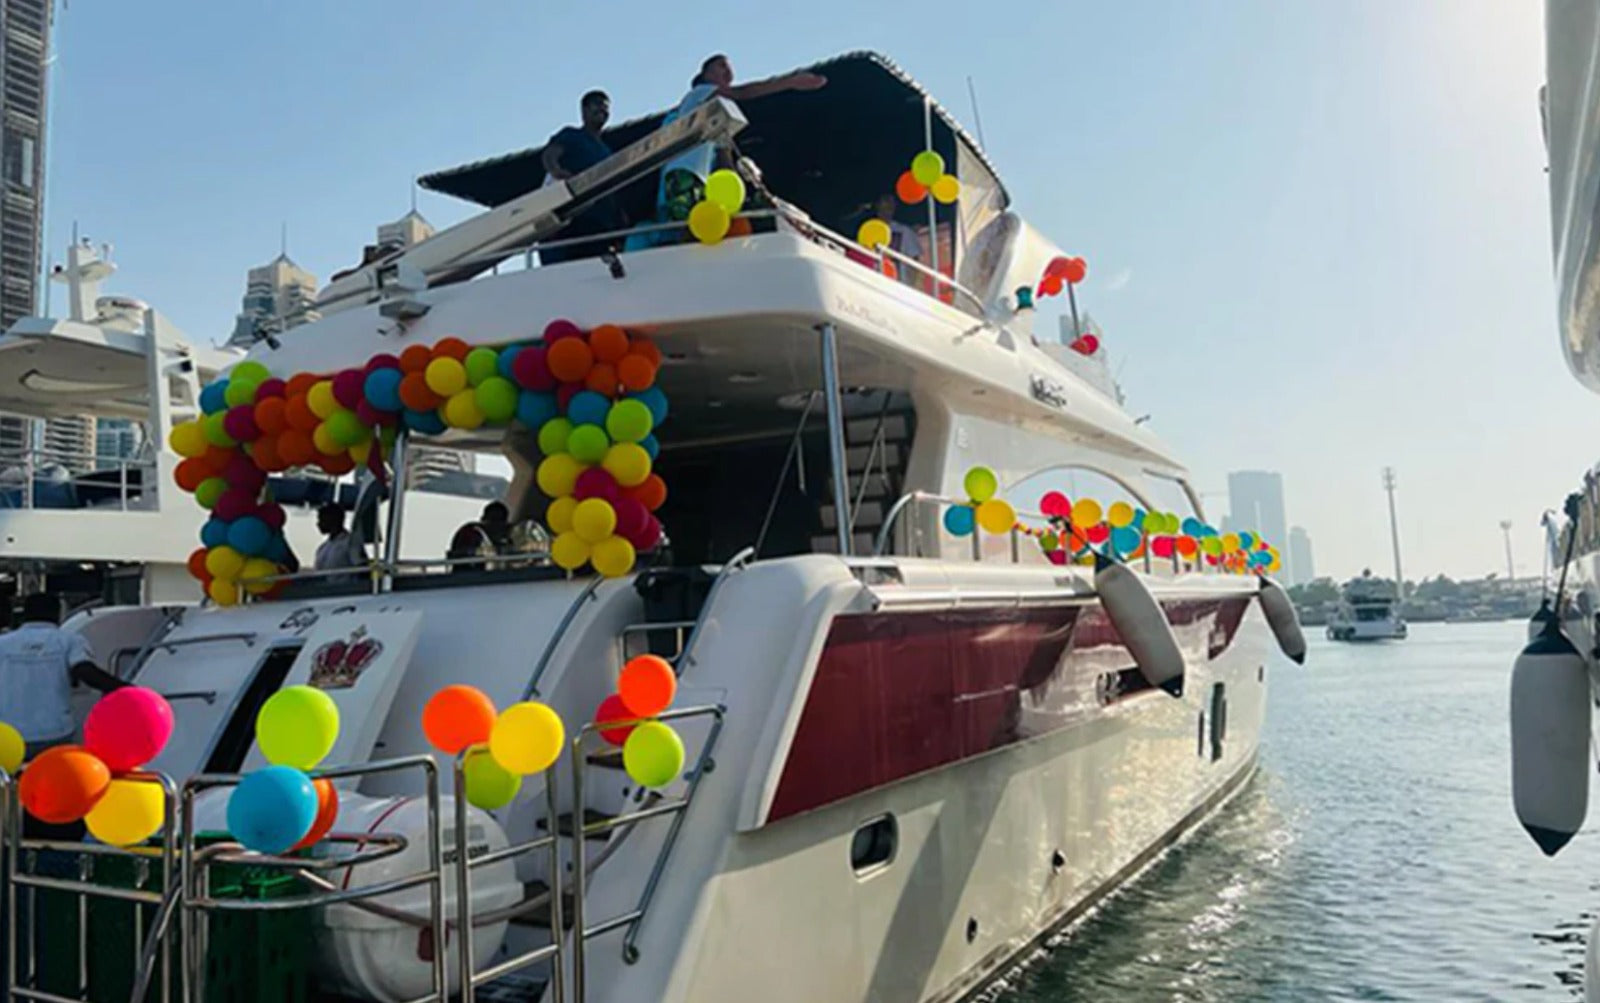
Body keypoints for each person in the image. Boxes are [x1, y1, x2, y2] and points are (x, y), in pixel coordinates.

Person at [628, 55, 827, 251]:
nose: (728, 70)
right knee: (687, 229)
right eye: (721, 65)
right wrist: (790, 82)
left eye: (729, 67)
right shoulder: (698, 94)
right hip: (685, 175)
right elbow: (743, 92)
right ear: (705, 75)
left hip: (706, 187)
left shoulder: (718, 118)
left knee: (697, 231)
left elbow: (725, 162)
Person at [0, 592, 125, 760]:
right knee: (53, 774)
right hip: (55, 732)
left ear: (25, 614)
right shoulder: (70, 640)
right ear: (57, 613)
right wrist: (124, 688)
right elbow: (85, 671)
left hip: (8, 734)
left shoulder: (3, 643)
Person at [541, 91, 628, 264]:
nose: (602, 109)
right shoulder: (572, 135)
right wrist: (556, 171)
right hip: (575, 219)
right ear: (584, 110)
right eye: (597, 104)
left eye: (606, 107)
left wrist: (620, 215)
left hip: (602, 224)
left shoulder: (606, 151)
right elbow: (550, 154)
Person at [871, 193, 924, 283]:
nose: (886, 212)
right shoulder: (870, 232)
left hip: (900, 284)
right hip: (876, 282)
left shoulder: (904, 231)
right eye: (883, 207)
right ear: (877, 208)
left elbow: (916, 260)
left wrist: (915, 283)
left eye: (889, 208)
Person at [448, 501, 512, 571]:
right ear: (482, 519)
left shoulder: (505, 541)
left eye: (500, 521)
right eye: (493, 520)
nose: (497, 525)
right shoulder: (471, 533)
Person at [313, 504, 366, 581]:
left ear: (333, 519)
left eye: (321, 519)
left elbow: (362, 570)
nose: (318, 524)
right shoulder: (322, 548)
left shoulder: (350, 542)